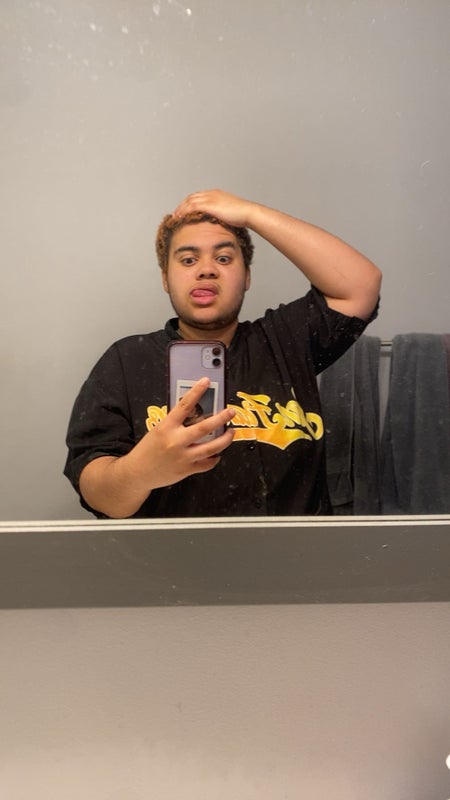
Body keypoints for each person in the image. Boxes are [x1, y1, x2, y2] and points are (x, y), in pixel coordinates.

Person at [64, 189, 381, 518]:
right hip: (175, 552)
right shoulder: (126, 361)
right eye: (188, 260)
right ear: (165, 279)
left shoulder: (285, 340)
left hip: (298, 550)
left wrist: (251, 213)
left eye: (224, 258)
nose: (206, 270)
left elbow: (360, 286)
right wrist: (142, 471)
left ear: (247, 276)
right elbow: (98, 495)